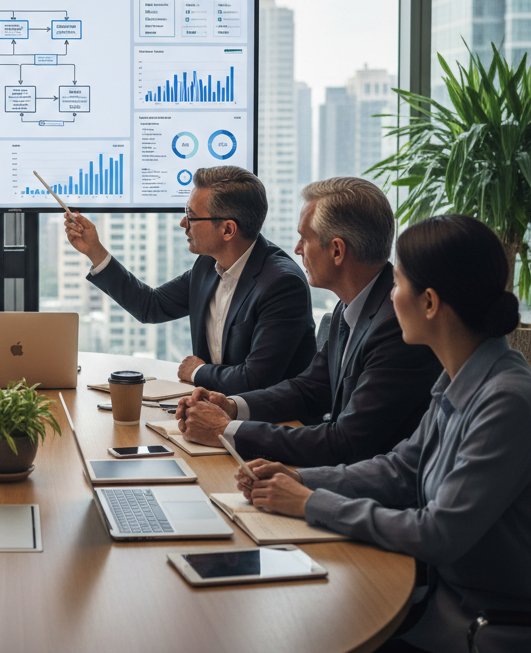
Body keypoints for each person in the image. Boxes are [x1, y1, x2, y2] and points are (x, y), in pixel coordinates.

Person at [236, 215, 531, 653]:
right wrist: (298, 477)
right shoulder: (462, 376)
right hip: (439, 607)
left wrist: (308, 503)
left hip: (483, 637)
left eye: (397, 283)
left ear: (430, 303)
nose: (390, 298)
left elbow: (438, 533)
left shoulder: (506, 399)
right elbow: (401, 469)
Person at [178, 177, 441, 464]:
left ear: (337, 251)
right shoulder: (350, 306)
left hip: (369, 492)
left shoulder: (395, 326)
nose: (297, 248)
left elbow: (346, 441)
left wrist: (225, 430)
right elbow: (311, 388)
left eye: (305, 238)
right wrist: (231, 406)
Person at [64, 165, 314, 392]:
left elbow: (256, 380)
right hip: (213, 410)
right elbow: (150, 306)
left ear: (228, 229)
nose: (183, 223)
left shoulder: (281, 285)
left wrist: (197, 371)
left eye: (192, 216)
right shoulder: (207, 265)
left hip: (270, 426)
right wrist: (94, 250)